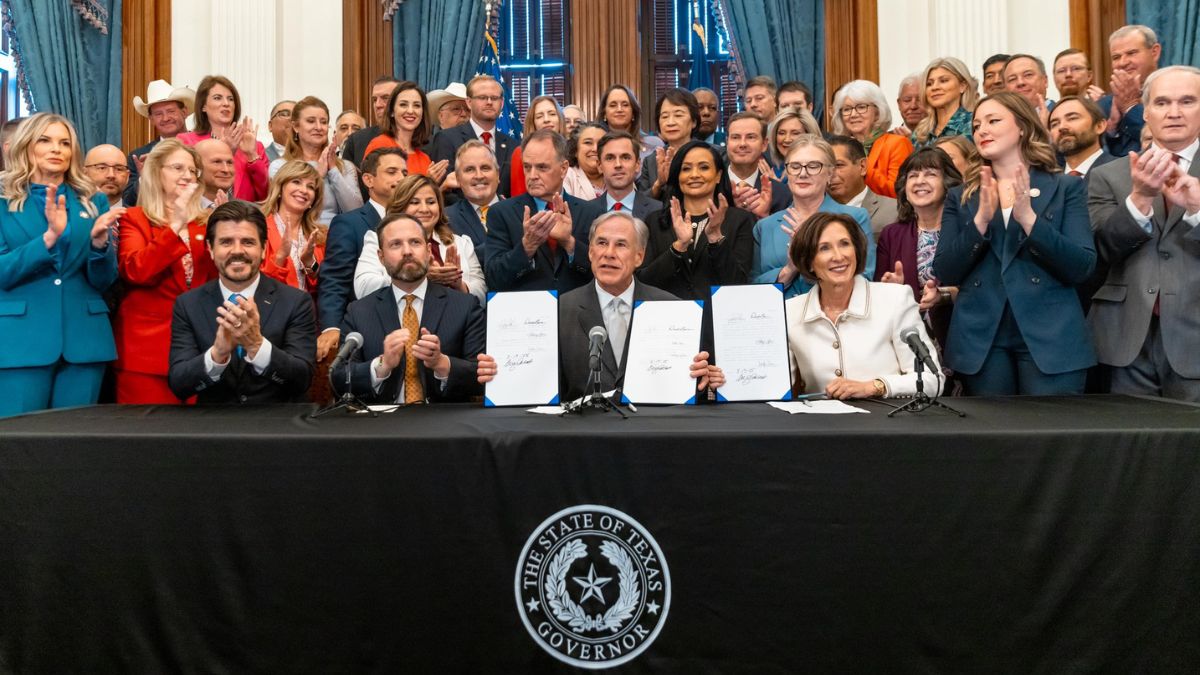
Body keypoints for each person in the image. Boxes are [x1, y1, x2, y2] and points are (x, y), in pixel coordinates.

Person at [935, 91, 1096, 395]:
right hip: (982, 338)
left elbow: (1082, 266)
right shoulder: (961, 195)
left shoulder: (1066, 187)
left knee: (1050, 425)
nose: (982, 130)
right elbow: (946, 270)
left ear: (1022, 126)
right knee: (993, 427)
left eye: (993, 121)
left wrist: (1030, 221)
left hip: (1051, 334)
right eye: (976, 125)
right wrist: (980, 221)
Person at [476, 210, 723, 401]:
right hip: (582, 439)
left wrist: (706, 380)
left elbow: (691, 388)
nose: (609, 253)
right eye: (602, 243)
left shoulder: (672, 309)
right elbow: (535, 384)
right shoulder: (558, 312)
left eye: (621, 245)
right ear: (590, 253)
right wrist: (500, 372)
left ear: (639, 256)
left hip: (652, 436)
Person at [1087, 65, 1200, 401]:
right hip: (1125, 338)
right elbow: (1099, 250)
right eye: (1162, 103)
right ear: (1146, 112)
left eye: (1187, 101)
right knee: (1131, 434)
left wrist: (1197, 210)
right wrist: (1139, 199)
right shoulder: (1108, 175)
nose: (1174, 112)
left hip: (1194, 334)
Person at [0, 112, 124, 417]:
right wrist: (48, 239)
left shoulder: (93, 200)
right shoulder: (3, 200)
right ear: (26, 145)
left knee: (75, 440)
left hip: (84, 343)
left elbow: (103, 280)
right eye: (45, 140)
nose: (57, 149)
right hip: (20, 342)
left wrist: (100, 246)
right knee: (20, 440)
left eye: (65, 143)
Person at [167, 200, 316, 404]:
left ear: (263, 249)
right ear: (210, 248)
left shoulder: (296, 302)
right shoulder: (188, 304)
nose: (237, 251)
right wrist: (217, 354)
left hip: (278, 420)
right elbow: (179, 384)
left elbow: (302, 380)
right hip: (213, 421)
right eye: (226, 242)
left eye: (248, 242)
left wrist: (256, 345)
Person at [782, 212, 941, 399]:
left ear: (856, 251)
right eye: (824, 248)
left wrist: (875, 386)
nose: (838, 256)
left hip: (886, 416)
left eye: (845, 244)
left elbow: (932, 380)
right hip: (819, 417)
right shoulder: (789, 312)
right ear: (808, 262)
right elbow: (776, 387)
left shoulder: (896, 299)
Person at [333, 213, 484, 404]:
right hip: (383, 419)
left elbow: (482, 377)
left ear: (428, 251)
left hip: (443, 418)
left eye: (415, 242)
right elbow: (339, 379)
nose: (407, 251)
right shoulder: (359, 311)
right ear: (381, 257)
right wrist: (382, 365)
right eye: (396, 244)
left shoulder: (465, 306)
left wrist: (441, 363)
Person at [115, 139, 217, 403]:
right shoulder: (134, 218)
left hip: (199, 350)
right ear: (156, 172)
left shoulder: (206, 223)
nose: (187, 175)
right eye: (178, 168)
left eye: (192, 170)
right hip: (146, 352)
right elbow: (136, 271)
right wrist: (176, 224)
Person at [484, 129, 605, 293]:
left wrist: (569, 243)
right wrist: (527, 246)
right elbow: (493, 279)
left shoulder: (592, 213)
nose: (532, 175)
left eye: (542, 167)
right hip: (526, 308)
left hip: (576, 307)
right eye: (527, 167)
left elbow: (604, 274)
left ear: (563, 169)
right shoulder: (501, 213)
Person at [753, 134, 874, 298]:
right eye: (795, 166)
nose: (803, 174)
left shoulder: (855, 218)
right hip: (782, 313)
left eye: (813, 166)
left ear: (830, 173)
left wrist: (809, 246)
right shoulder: (766, 226)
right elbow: (754, 287)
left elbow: (864, 278)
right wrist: (789, 269)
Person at [317, 147, 408, 356]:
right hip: (367, 330)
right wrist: (331, 327)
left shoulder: (416, 221)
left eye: (404, 173)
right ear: (368, 180)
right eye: (392, 172)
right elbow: (335, 279)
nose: (401, 178)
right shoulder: (349, 223)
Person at [874, 147, 964, 357]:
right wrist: (893, 290)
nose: (920, 181)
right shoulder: (891, 234)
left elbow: (981, 288)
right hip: (912, 346)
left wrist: (944, 295)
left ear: (948, 183)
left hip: (962, 338)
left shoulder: (966, 228)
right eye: (913, 176)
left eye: (931, 174)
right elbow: (879, 297)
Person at [639, 140, 755, 300]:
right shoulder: (655, 221)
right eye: (686, 169)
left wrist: (715, 238)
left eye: (704, 167)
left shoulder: (740, 220)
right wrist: (678, 247)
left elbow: (738, 284)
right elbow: (644, 281)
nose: (694, 175)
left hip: (717, 313)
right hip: (667, 313)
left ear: (718, 175)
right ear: (677, 176)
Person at [356, 174, 485, 305]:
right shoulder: (377, 240)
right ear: (400, 206)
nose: (424, 209)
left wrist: (459, 285)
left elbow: (481, 296)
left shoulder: (460, 243)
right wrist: (419, 277)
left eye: (431, 202)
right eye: (415, 202)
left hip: (454, 315)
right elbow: (363, 288)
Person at [268, 96, 364, 223]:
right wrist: (318, 176)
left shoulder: (345, 166)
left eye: (323, 122)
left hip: (338, 232)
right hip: (298, 232)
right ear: (296, 126)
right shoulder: (280, 166)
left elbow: (356, 211)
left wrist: (333, 169)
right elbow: (284, 211)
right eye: (311, 121)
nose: (318, 127)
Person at [177, 75, 268, 202]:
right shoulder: (186, 141)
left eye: (230, 99)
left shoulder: (255, 146)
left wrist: (252, 156)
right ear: (203, 106)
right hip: (201, 211)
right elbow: (184, 185)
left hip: (243, 213)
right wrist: (225, 150)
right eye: (217, 98)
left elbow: (266, 195)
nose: (226, 103)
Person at [430, 75, 516, 197]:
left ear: (501, 103)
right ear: (469, 102)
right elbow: (446, 190)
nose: (489, 102)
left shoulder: (513, 145)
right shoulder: (446, 138)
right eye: (482, 97)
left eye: (494, 98)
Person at [830, 80, 914, 198]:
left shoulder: (897, 144)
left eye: (861, 107)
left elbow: (899, 192)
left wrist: (861, 166)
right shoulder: (836, 149)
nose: (853, 114)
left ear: (877, 112)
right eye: (847, 109)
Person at [260, 160, 327, 296]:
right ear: (280, 189)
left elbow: (327, 286)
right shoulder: (259, 229)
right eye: (296, 182)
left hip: (309, 308)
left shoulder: (321, 235)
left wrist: (309, 263)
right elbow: (257, 285)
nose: (304, 190)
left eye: (310, 187)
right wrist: (280, 256)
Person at [126, 79, 195, 206]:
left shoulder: (201, 146)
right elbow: (129, 201)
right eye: (158, 114)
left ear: (184, 112)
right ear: (151, 119)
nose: (165, 118)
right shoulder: (139, 156)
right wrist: (144, 178)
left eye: (171, 111)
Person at [361, 82, 448, 182]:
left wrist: (441, 185)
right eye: (403, 105)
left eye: (417, 105)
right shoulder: (379, 145)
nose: (410, 111)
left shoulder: (424, 159)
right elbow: (375, 187)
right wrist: (425, 181)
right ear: (392, 111)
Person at [1100, 25, 1161, 158]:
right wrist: (1112, 128)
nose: (1123, 62)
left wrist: (1130, 108)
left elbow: (1167, 137)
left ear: (1155, 52)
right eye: (1116, 57)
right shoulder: (1103, 105)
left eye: (1132, 53)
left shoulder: (1179, 94)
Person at [827, 135, 898, 237]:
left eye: (839, 165)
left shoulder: (894, 210)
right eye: (826, 166)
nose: (831, 174)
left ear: (862, 166)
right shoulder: (814, 212)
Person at [724, 112, 789, 218]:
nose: (742, 144)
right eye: (735, 137)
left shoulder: (782, 194)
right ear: (727, 142)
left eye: (750, 137)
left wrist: (764, 217)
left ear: (764, 144)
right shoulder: (711, 188)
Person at [641, 88, 702, 198]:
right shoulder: (650, 161)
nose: (670, 122)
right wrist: (658, 184)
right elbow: (641, 203)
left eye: (678, 115)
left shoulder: (713, 153)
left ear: (694, 121)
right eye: (664, 117)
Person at [446, 140, 501, 256]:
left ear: (498, 175)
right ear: (458, 179)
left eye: (485, 168)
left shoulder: (521, 212)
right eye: (469, 169)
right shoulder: (446, 219)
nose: (479, 176)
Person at [592, 130, 661, 221]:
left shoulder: (658, 210)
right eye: (610, 158)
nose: (618, 164)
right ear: (599, 166)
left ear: (637, 165)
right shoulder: (585, 212)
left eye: (625, 157)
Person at [912, 57, 979, 149]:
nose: (934, 87)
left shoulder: (974, 123)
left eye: (943, 81)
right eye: (929, 84)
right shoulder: (921, 131)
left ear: (962, 86)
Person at [510, 95, 566, 198]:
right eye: (539, 116)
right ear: (533, 123)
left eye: (552, 114)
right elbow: (519, 198)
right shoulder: (520, 153)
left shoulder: (572, 151)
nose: (546, 120)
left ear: (560, 118)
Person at [1049, 95, 1115, 178]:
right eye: (1054, 124)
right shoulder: (1047, 179)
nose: (1061, 127)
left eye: (1072, 118)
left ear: (1099, 126)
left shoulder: (1123, 169)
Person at [342, 75, 400, 168]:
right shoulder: (356, 141)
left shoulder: (422, 141)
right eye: (374, 100)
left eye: (385, 98)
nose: (377, 105)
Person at [597, 84, 661, 160]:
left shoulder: (654, 144)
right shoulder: (595, 145)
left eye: (625, 105)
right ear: (604, 113)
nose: (619, 109)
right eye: (613, 105)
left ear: (633, 112)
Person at [766, 107, 822, 177]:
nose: (787, 139)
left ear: (810, 134)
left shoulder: (818, 169)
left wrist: (777, 184)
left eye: (795, 133)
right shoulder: (774, 170)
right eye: (781, 133)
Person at [1003, 54, 1053, 123]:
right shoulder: (1003, 122)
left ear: (1045, 81)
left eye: (1028, 75)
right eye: (1012, 79)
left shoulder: (1062, 113)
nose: (1020, 82)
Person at [564, 122, 607, 200]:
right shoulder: (566, 176)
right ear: (575, 150)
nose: (595, 149)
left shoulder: (617, 174)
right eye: (588, 142)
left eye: (601, 143)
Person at [83, 144, 130, 209]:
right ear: (85, 174)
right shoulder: (70, 213)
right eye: (102, 168)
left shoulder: (138, 215)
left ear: (127, 177)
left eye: (119, 169)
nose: (111, 175)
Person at [194, 139, 235, 210]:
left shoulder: (249, 212)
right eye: (217, 162)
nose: (226, 170)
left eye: (229, 162)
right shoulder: (178, 209)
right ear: (196, 166)